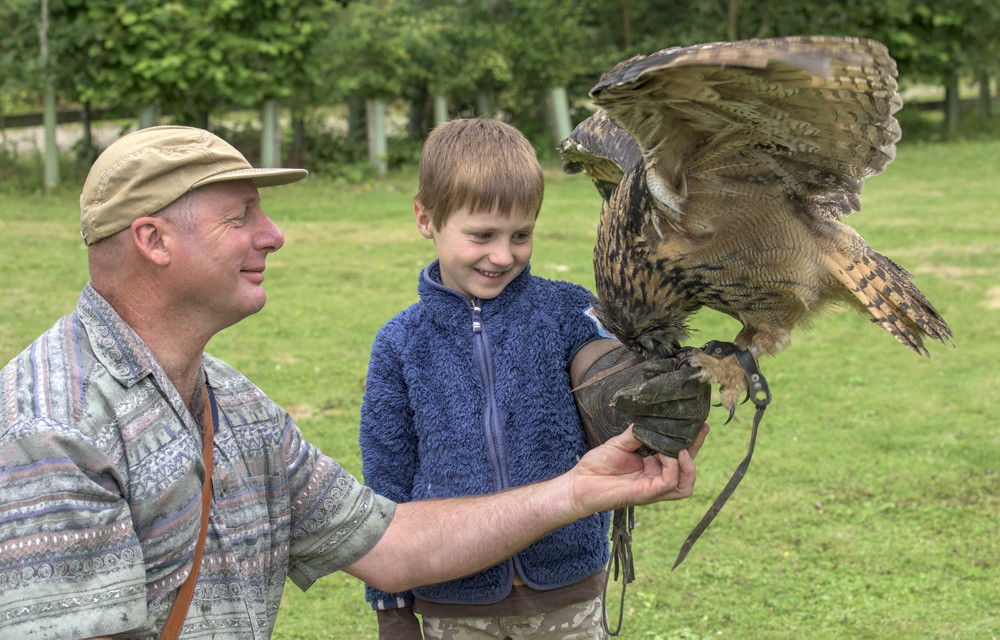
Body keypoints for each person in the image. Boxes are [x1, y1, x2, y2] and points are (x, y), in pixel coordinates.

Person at [0, 125, 708, 640]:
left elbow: (392, 542)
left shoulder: (241, 414)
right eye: (241, 217)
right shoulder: (52, 428)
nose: (274, 235)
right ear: (154, 241)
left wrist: (581, 487)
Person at [358, 118, 711, 639]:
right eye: (481, 235)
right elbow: (385, 483)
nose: (503, 255)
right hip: (450, 596)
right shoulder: (400, 343)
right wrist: (390, 609)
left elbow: (623, 374)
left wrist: (665, 377)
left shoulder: (571, 311)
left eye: (521, 235)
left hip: (566, 588)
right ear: (425, 217)